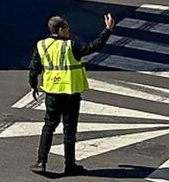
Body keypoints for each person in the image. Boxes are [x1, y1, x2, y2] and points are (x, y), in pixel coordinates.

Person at [29, 11, 115, 176]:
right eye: (67, 28)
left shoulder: (42, 45)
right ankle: (70, 165)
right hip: (70, 93)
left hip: (52, 93)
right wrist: (108, 30)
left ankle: (41, 162)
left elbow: (34, 67)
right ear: (61, 30)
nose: (69, 31)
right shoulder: (71, 46)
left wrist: (33, 86)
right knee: (69, 131)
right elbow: (93, 46)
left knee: (49, 126)